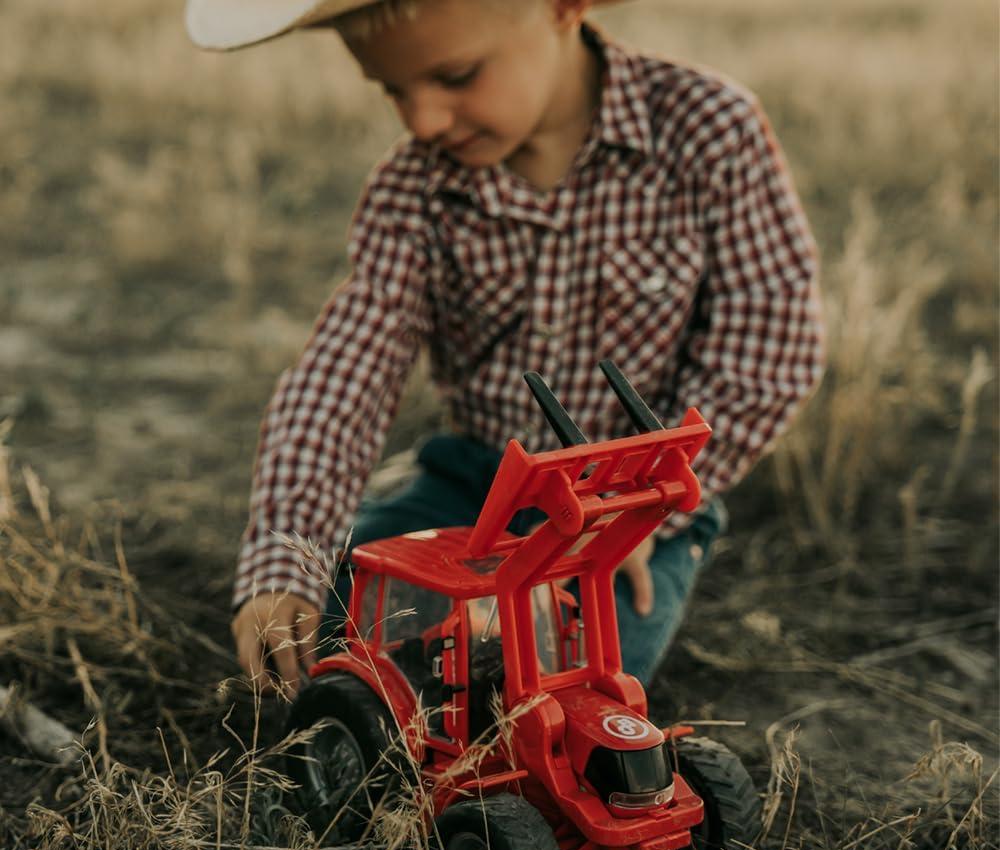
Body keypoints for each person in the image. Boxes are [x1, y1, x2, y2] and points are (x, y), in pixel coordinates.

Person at [185, 0, 825, 696]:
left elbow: (768, 342)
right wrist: (288, 559)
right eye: (395, 90)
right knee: (347, 619)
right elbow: (346, 372)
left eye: (456, 75)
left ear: (562, 6)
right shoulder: (414, 190)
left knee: (569, 682)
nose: (422, 120)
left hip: (626, 508)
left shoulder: (710, 132)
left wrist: (642, 502)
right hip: (475, 483)